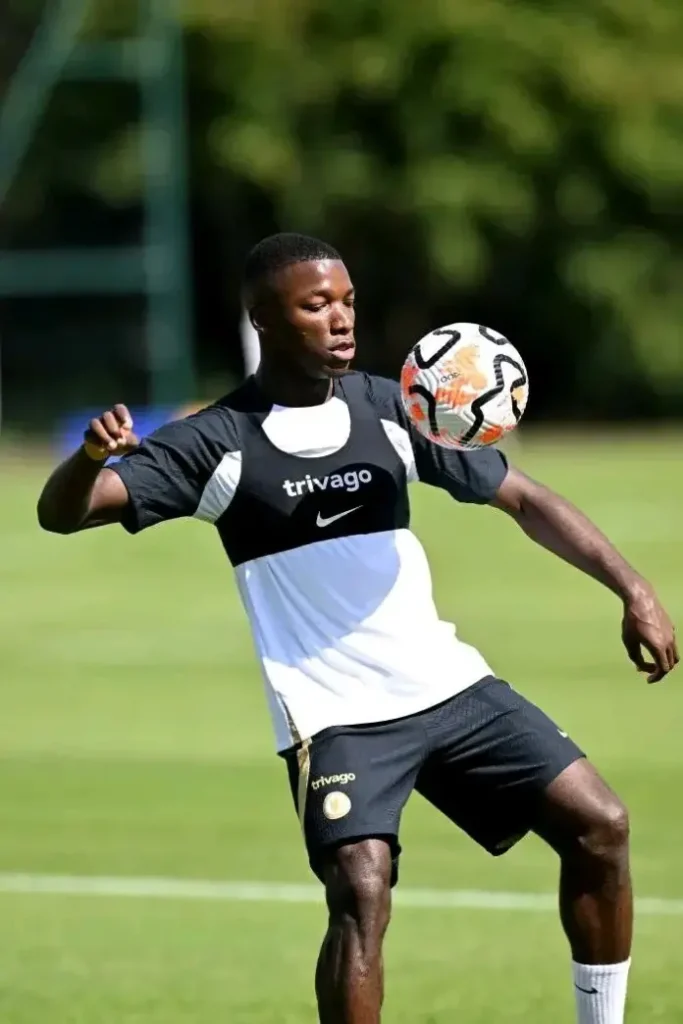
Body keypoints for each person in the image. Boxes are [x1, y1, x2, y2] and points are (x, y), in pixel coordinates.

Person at [37, 233, 678, 1024]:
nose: (340, 319)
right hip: (335, 716)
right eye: (316, 305)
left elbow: (525, 499)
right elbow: (64, 514)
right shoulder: (216, 442)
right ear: (263, 319)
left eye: (346, 301)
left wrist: (632, 588)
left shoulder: (391, 407)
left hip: (446, 686)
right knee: (361, 889)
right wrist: (87, 459)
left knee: (600, 826)